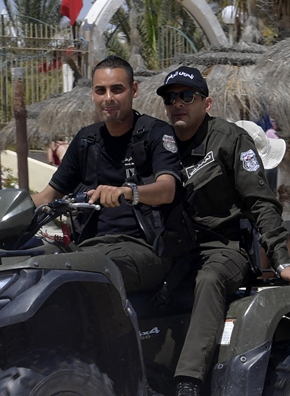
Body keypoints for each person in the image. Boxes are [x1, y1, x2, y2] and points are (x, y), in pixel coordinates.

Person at [159, 67, 290, 396]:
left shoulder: (229, 140)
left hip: (223, 249)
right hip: (171, 249)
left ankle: (188, 383)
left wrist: (283, 261)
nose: (177, 103)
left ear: (206, 103)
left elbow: (261, 204)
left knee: (209, 279)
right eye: (170, 97)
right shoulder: (159, 144)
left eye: (187, 96)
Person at [29, 55, 186, 296]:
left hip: (145, 248)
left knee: (83, 272)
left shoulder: (155, 133)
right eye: (101, 90)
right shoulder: (86, 140)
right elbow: (47, 196)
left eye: (117, 89)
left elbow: (167, 189)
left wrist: (128, 192)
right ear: (92, 94)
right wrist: (3, 206)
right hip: (89, 248)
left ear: (134, 90)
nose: (108, 98)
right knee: (29, 267)